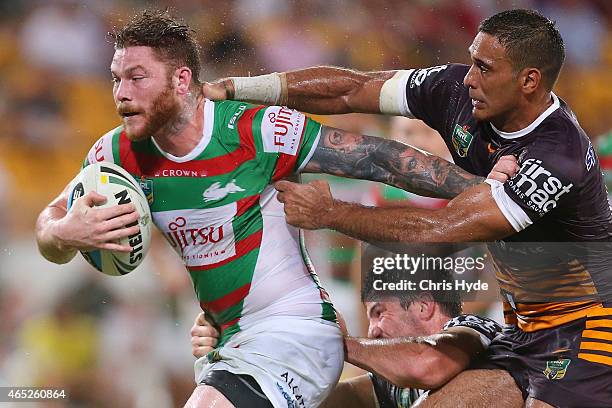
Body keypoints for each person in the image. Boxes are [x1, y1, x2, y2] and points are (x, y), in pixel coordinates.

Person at [33, 10, 512, 408]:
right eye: (116, 78)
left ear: (181, 80)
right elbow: (48, 228)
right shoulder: (114, 156)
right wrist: (64, 233)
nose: (121, 92)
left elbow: (379, 159)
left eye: (137, 77)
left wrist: (483, 187)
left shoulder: (256, 131)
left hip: (294, 330)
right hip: (227, 344)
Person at [205, 9, 612, 408]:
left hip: (592, 327)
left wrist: (330, 213)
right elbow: (353, 88)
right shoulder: (456, 90)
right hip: (523, 329)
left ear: (528, 80)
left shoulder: (558, 156)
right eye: (472, 61)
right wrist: (235, 89)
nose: (468, 78)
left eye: (485, 68)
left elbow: (442, 228)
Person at [190, 258, 520, 408]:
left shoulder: (481, 332)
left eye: (379, 312)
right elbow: (309, 401)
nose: (373, 330)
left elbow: (428, 364)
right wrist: (240, 347)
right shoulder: (386, 387)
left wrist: (335, 343)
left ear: (423, 305)